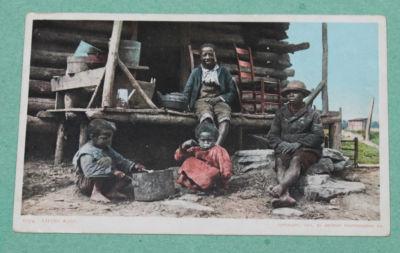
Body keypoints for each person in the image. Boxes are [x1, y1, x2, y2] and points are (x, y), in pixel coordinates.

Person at [266, 80, 324, 208]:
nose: (291, 95)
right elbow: (272, 135)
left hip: (306, 149)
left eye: (295, 92)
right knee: (280, 161)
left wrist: (298, 144)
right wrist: (281, 145)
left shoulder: (313, 114)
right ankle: (285, 196)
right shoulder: (281, 113)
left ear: (303, 95)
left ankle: (280, 188)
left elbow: (318, 136)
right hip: (285, 147)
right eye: (289, 92)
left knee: (296, 160)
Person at [73, 119, 145, 203]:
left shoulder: (106, 148)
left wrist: (134, 166)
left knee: (127, 171)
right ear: (92, 136)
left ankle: (111, 191)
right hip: (88, 183)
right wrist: (113, 172)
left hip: (106, 178)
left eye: (110, 137)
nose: (109, 141)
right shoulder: (87, 152)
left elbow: (120, 160)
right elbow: (90, 172)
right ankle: (96, 193)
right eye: (104, 138)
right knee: (106, 167)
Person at [183, 43, 239, 145]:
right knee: (207, 118)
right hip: (201, 101)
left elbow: (232, 91)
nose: (207, 57)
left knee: (225, 118)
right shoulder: (196, 72)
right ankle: (207, 145)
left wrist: (219, 98)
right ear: (201, 57)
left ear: (215, 56)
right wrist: (184, 105)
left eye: (210, 54)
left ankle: (217, 146)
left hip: (220, 101)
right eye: (204, 55)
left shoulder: (223, 71)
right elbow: (187, 90)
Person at [175, 122, 233, 193]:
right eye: (203, 140)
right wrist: (184, 145)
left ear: (214, 140)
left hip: (214, 178)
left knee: (213, 173)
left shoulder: (218, 150)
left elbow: (225, 165)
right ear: (198, 141)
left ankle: (212, 188)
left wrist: (223, 183)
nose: (206, 143)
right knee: (189, 161)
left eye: (209, 140)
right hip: (200, 178)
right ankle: (193, 186)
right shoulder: (196, 149)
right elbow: (178, 157)